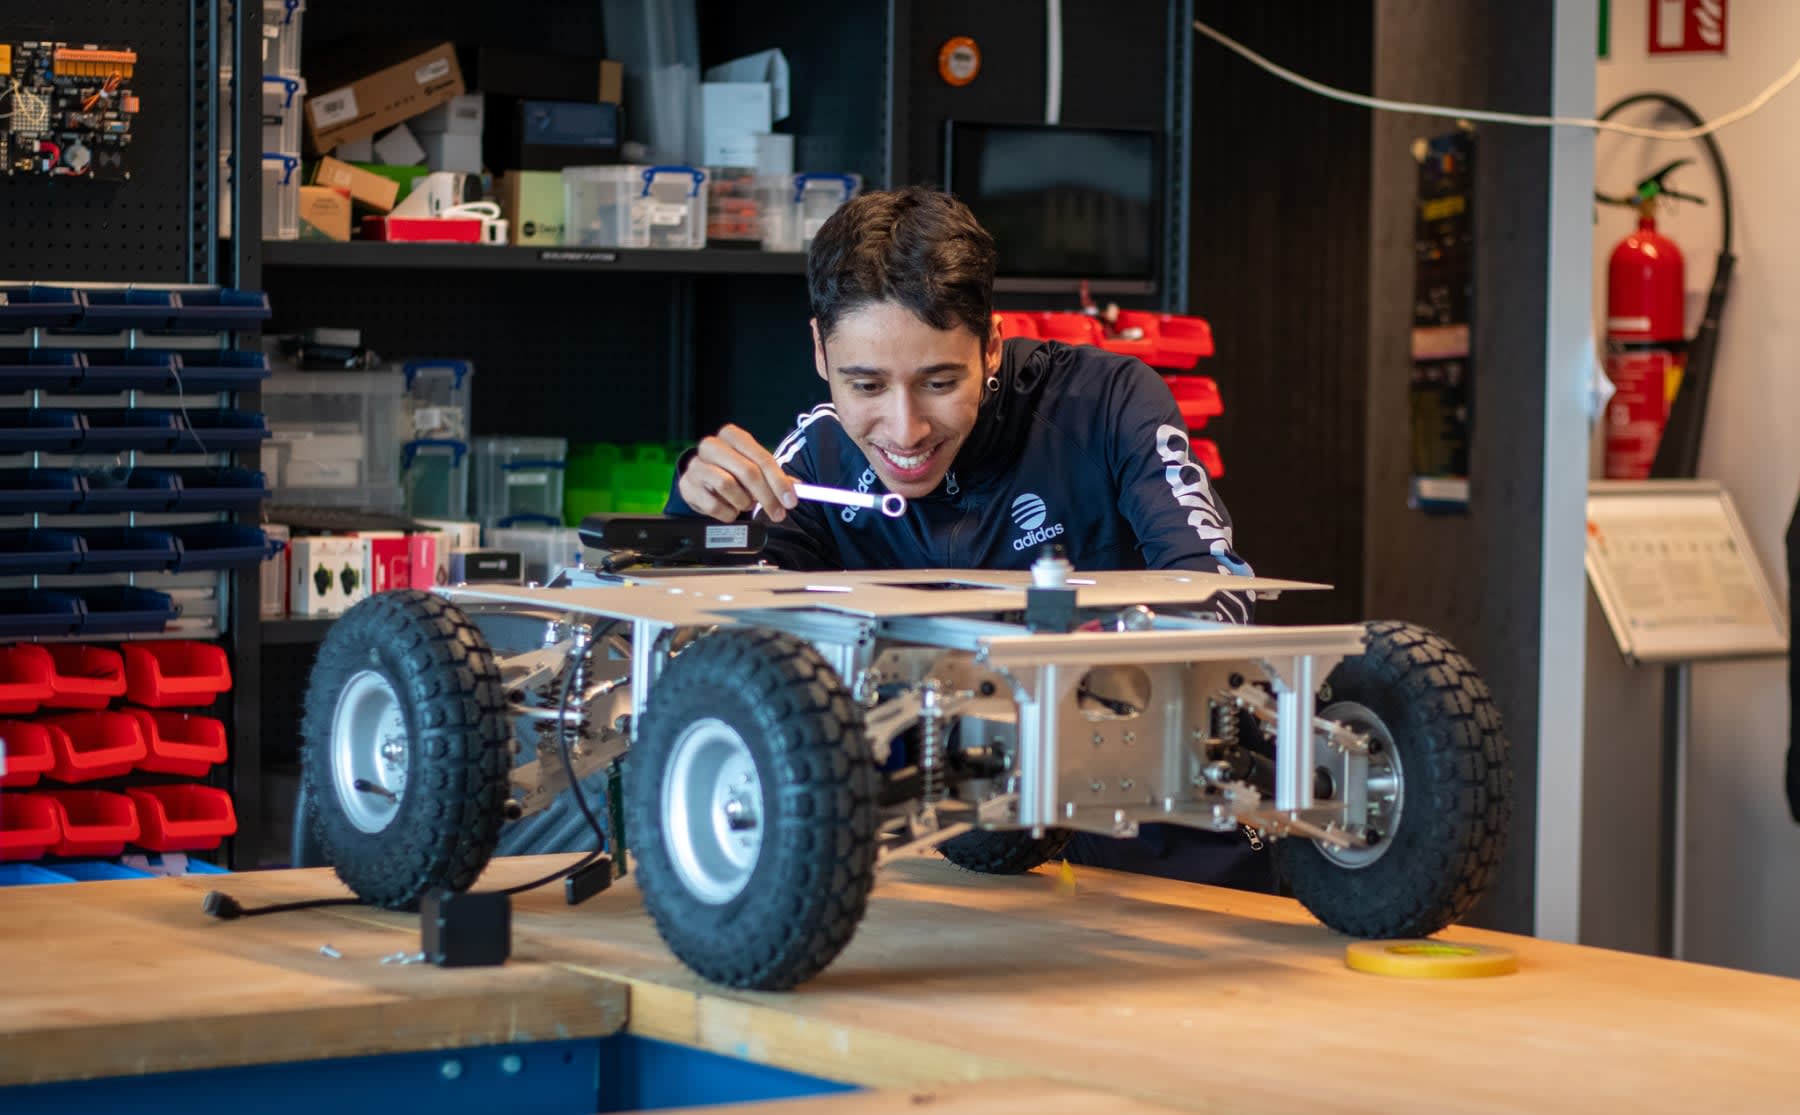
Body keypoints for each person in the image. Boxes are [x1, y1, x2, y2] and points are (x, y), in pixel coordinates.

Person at [664, 185, 1272, 890]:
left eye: (939, 381)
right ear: (820, 354)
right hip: (959, 887)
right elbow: (709, 631)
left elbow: (1221, 600)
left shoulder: (1108, 403)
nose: (905, 429)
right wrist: (697, 513)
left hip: (1171, 868)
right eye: (865, 385)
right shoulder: (819, 459)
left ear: (992, 344)